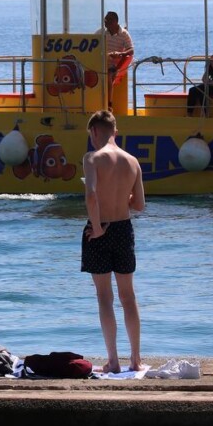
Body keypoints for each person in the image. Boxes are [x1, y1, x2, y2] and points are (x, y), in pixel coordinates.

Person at [81, 110, 146, 374]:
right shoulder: (132, 161)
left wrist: (97, 229)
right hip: (124, 230)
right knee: (128, 297)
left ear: (95, 131)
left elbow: (91, 196)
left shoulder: (92, 158)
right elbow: (139, 205)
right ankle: (136, 360)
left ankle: (114, 362)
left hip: (100, 229)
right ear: (115, 132)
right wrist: (121, 200)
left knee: (104, 297)